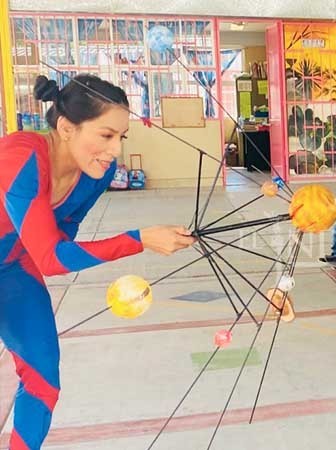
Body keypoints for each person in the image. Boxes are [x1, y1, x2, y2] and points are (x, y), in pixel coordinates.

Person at [0, 75, 196, 450]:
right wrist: (139, 240)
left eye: (121, 137)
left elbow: (63, 234)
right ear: (65, 128)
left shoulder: (97, 173)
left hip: (11, 269)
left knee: (43, 381)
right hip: (20, 262)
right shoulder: (20, 155)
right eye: (106, 136)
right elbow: (53, 259)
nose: (115, 150)